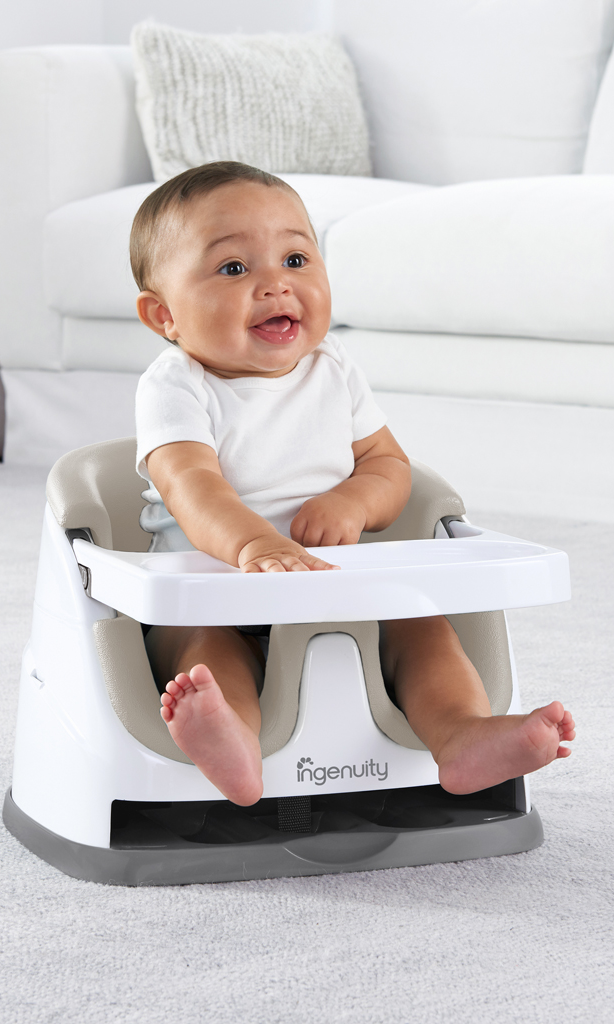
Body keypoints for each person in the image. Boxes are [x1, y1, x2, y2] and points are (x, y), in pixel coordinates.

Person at [131, 161, 574, 806]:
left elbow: (391, 467)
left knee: (421, 626)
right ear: (163, 315)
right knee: (205, 658)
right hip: (215, 594)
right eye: (234, 268)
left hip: (335, 585)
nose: (275, 284)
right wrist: (256, 547)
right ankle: (232, 742)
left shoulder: (332, 367)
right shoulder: (176, 386)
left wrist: (353, 500)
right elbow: (190, 483)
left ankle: (462, 735)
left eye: (295, 259)